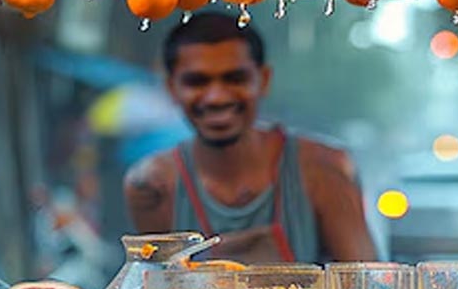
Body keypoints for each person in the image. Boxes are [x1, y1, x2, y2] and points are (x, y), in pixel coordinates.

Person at [123, 13, 377, 263]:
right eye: (197, 81)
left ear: (263, 80)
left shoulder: (322, 169)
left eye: (235, 78)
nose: (216, 98)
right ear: (171, 88)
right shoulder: (152, 186)